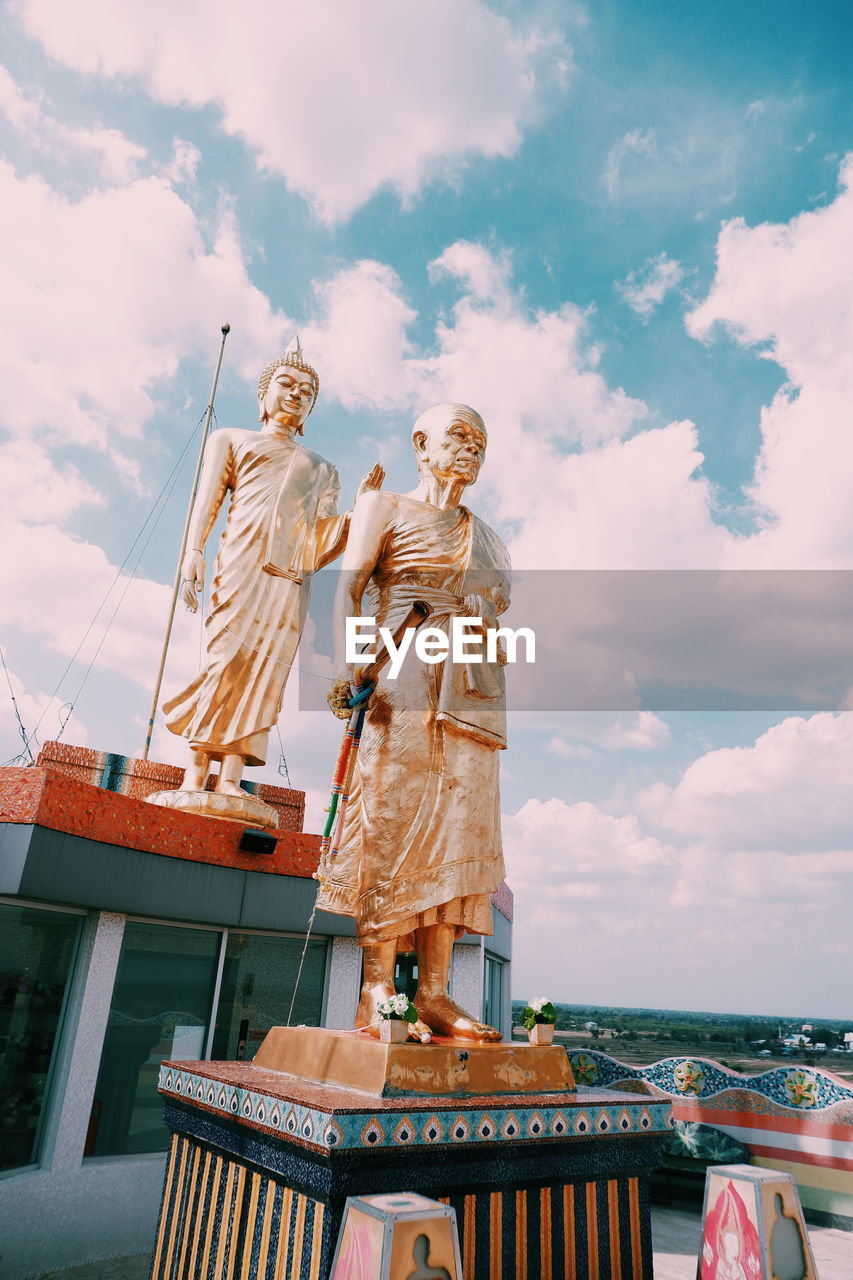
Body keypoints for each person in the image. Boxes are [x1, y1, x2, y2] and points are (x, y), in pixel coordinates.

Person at [317, 402, 510, 1041]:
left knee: (460, 826)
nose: (471, 450)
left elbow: (495, 607)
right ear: (421, 445)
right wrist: (351, 665)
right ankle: (377, 987)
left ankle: (433, 992)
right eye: (458, 437)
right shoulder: (387, 507)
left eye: (480, 443)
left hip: (471, 683)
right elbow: (348, 587)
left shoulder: (485, 534)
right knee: (390, 819)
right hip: (402, 665)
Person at [162, 339, 383, 797]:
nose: (295, 395)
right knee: (227, 660)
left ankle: (230, 775)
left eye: (307, 392)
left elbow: (320, 540)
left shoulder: (323, 468)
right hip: (240, 565)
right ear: (263, 395)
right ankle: (195, 769)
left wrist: (359, 510)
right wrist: (193, 550)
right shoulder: (231, 440)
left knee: (266, 672)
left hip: (288, 581)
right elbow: (208, 501)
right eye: (286, 384)